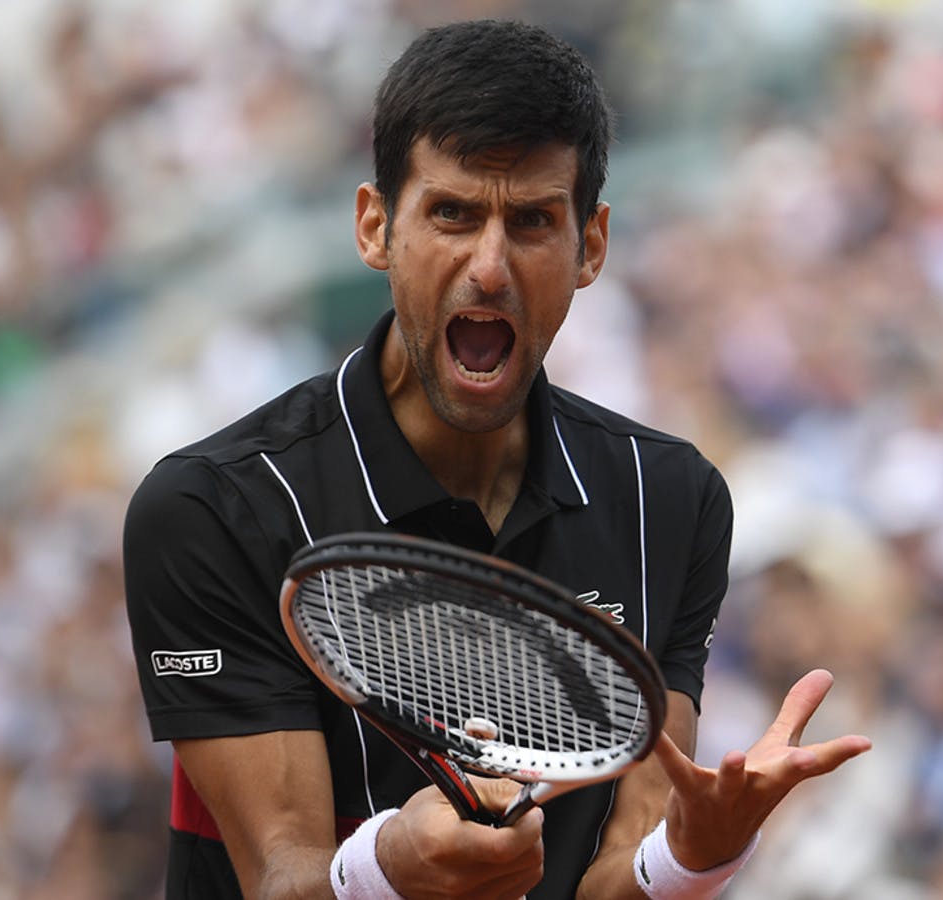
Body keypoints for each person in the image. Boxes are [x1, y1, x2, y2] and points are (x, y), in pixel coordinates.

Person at [123, 19, 871, 899]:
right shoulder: (211, 511)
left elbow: (612, 875)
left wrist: (691, 856)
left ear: (590, 245)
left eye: (531, 222)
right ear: (374, 228)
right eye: (451, 213)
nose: (488, 266)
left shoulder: (672, 501)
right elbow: (279, 876)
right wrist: (390, 868)